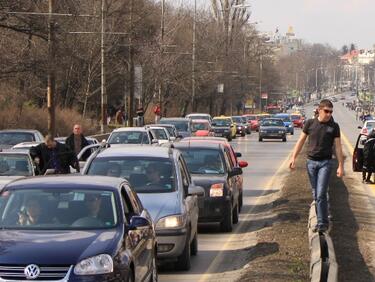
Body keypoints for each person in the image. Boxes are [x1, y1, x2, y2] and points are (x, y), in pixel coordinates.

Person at [289, 99, 344, 233]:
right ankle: (320, 221)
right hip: (311, 163)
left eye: (331, 112)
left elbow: (338, 147)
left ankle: (322, 223)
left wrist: (341, 165)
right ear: (319, 110)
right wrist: (293, 158)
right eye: (326, 111)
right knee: (316, 194)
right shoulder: (310, 123)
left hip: (325, 163)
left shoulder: (334, 126)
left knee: (320, 193)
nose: (329, 114)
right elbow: (301, 141)